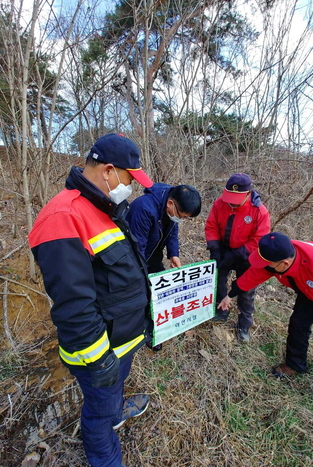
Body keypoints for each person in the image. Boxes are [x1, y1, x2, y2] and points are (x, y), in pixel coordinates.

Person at [28, 133, 154, 467]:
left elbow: (123, 275)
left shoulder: (106, 207)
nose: (132, 187)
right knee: (98, 416)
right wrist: (99, 362)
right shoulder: (63, 217)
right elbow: (74, 307)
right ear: (109, 171)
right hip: (99, 352)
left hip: (122, 342)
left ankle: (115, 408)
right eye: (130, 179)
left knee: (110, 396)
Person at [218, 232, 313, 388]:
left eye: (266, 263)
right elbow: (253, 274)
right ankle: (295, 365)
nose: (263, 265)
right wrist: (230, 295)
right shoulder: (275, 255)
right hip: (309, 292)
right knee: (298, 325)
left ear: (285, 264)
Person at [126, 183, 201, 351]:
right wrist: (143, 277)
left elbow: (172, 232)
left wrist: (173, 254)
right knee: (142, 294)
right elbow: (137, 249)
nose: (182, 220)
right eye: (182, 216)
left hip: (153, 256)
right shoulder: (143, 209)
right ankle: (142, 331)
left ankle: (156, 327)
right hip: (134, 260)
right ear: (170, 203)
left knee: (159, 294)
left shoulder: (172, 208)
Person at [205, 173, 270, 342]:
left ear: (248, 194)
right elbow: (211, 226)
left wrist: (237, 254)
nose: (232, 202)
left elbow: (259, 240)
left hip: (247, 256)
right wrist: (215, 248)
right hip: (224, 249)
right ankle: (221, 310)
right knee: (219, 280)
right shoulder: (220, 204)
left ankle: (244, 324)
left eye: (237, 198)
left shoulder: (259, 212)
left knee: (246, 290)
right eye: (230, 196)